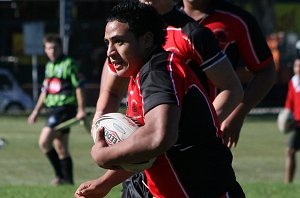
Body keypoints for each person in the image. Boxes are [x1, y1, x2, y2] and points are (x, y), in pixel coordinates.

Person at [75, 1, 245, 197]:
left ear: (147, 40)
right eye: (107, 43)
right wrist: (104, 183)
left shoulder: (160, 71)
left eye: (119, 41)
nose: (110, 52)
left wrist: (103, 155)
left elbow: (157, 137)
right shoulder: (140, 74)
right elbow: (146, 149)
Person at [179, 0, 276, 148]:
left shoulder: (237, 20)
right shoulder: (160, 19)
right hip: (167, 124)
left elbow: (266, 71)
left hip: (213, 130)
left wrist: (237, 114)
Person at [27, 33, 86, 185]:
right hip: (53, 110)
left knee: (44, 142)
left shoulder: (69, 63)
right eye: (48, 48)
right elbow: (44, 91)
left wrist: (81, 109)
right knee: (61, 148)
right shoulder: (49, 66)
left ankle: (59, 176)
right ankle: (68, 181)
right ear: (45, 50)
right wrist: (35, 112)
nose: (51, 51)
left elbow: (79, 87)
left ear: (60, 48)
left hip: (65, 108)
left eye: (54, 48)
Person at [284, 57, 300, 184]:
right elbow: (289, 102)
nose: (297, 69)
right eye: (296, 66)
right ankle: (288, 184)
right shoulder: (293, 82)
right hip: (297, 124)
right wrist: (286, 115)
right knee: (290, 151)